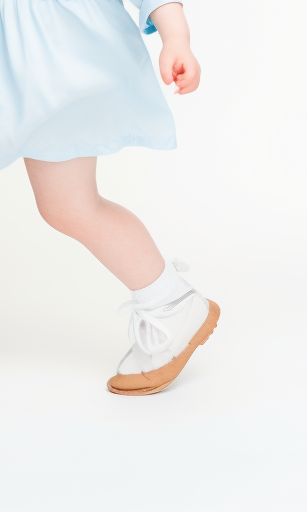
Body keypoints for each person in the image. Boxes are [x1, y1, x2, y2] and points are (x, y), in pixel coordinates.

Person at [0, 0, 220, 396]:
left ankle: (169, 302)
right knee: (68, 206)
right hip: (24, 56)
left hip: (57, 57)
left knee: (70, 206)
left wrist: (176, 35)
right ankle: (170, 302)